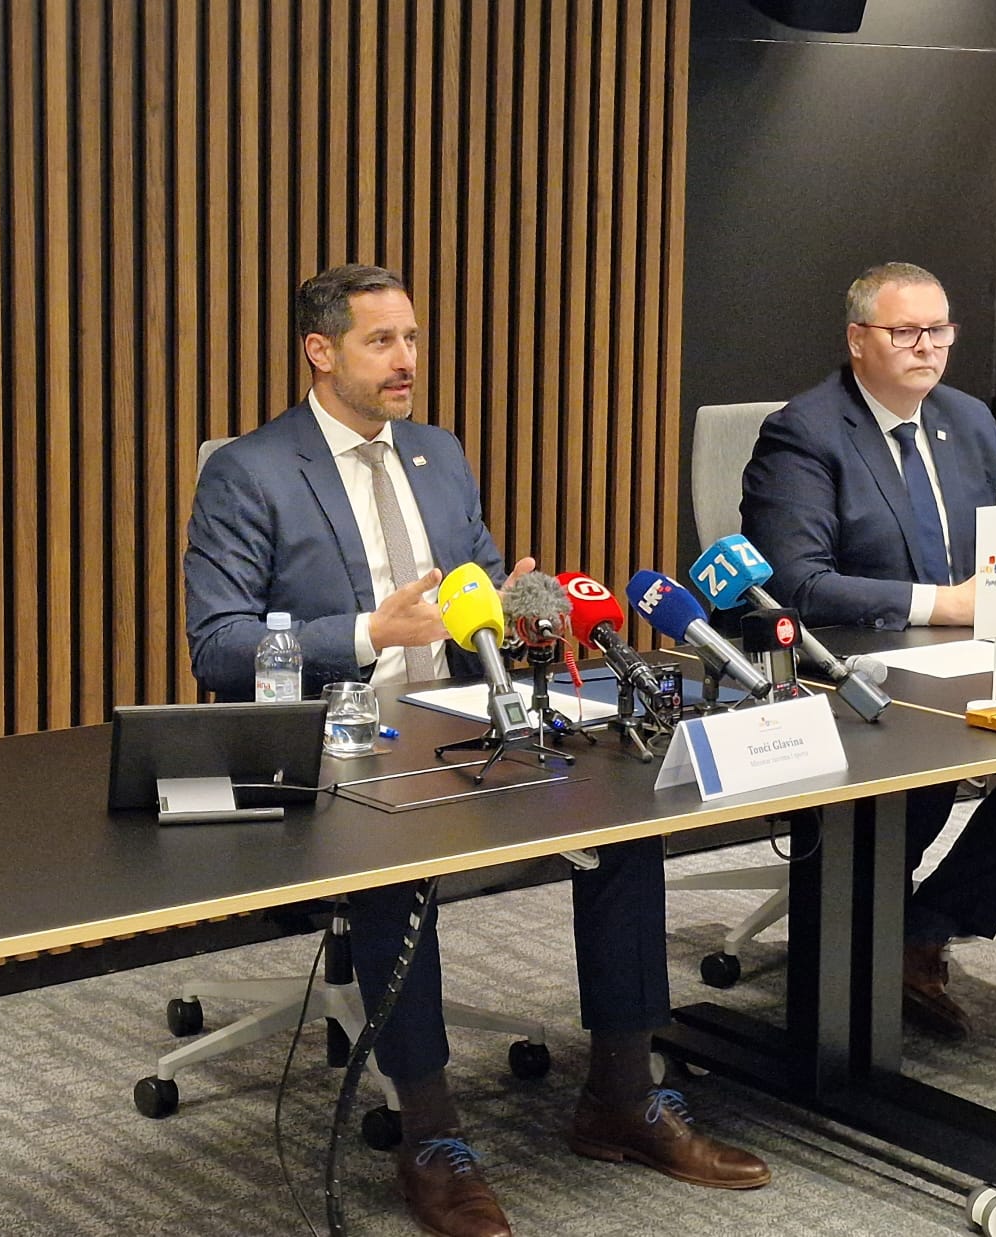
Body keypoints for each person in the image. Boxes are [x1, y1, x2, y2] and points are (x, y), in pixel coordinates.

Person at [186, 264, 768, 1237]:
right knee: (393, 853)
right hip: (341, 740)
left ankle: (623, 1095)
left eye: (411, 337)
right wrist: (370, 632)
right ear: (320, 351)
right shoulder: (250, 471)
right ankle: (430, 1135)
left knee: (625, 807)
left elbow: (480, 593)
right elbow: (217, 643)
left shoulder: (437, 453)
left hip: (464, 718)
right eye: (381, 340)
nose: (406, 359)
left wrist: (517, 605)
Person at [741, 260, 996, 1041]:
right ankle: (855, 946)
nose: (928, 347)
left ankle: (921, 927)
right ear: (857, 340)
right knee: (924, 777)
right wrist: (946, 605)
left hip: (966, 650)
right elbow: (794, 583)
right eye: (906, 331)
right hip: (850, 666)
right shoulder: (804, 431)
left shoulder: (967, 418)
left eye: (939, 330)